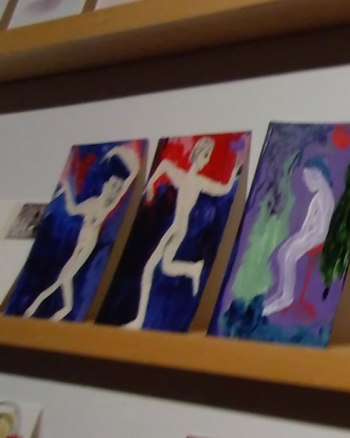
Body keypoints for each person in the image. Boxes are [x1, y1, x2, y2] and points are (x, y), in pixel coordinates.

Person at [125, 137, 239, 329]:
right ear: (196, 153)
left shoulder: (198, 181)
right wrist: (150, 185)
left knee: (150, 268)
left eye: (208, 156)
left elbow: (223, 189)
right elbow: (164, 165)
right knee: (164, 267)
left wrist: (235, 169)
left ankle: (139, 320)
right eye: (205, 155)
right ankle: (192, 269)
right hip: (175, 227)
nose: (206, 160)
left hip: (179, 228)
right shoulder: (183, 177)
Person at [24, 145, 140, 322]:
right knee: (63, 278)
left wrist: (118, 152)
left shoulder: (107, 206)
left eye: (118, 188)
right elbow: (73, 208)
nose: (116, 190)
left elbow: (130, 179)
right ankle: (52, 308)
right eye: (114, 186)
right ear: (106, 185)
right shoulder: (92, 203)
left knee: (65, 277)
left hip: (87, 244)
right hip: (82, 242)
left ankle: (47, 308)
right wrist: (66, 187)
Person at [263, 159, 335, 317]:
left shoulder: (325, 197)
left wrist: (304, 237)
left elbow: (322, 229)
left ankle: (287, 297)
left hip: (318, 237)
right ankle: (280, 292)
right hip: (309, 233)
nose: (306, 183)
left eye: (308, 178)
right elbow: (307, 223)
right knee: (282, 251)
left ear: (318, 175)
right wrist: (301, 235)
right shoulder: (317, 197)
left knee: (290, 255)